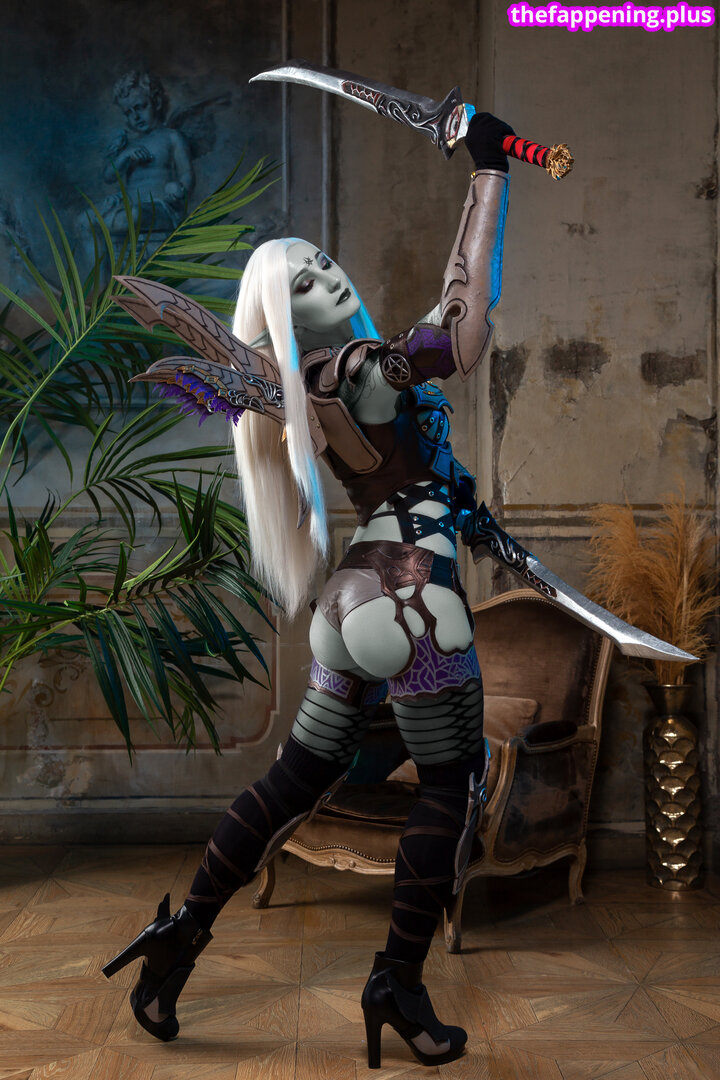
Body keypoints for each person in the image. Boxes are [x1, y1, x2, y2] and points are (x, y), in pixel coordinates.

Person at [102, 111, 513, 1069]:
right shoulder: (367, 364)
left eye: (322, 264)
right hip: (411, 597)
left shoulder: (304, 387)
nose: (326, 278)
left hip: (349, 602)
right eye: (299, 283)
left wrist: (473, 514)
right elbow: (463, 326)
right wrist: (491, 174)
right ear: (281, 317)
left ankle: (176, 943)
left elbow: (410, 473)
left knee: (294, 778)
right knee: (451, 783)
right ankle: (396, 983)